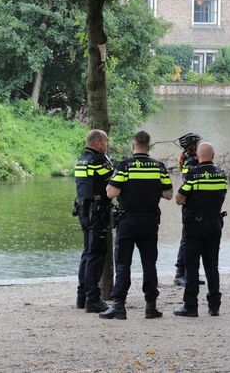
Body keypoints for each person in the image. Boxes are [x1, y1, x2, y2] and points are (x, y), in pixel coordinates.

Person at [99, 131, 173, 320]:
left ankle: (119, 306)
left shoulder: (125, 166)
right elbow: (168, 194)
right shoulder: (158, 167)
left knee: (123, 263)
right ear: (149, 147)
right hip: (149, 222)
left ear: (133, 146)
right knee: (149, 263)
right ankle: (150, 306)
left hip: (127, 221)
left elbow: (111, 193)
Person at [174, 142, 228, 317]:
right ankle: (214, 306)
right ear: (213, 156)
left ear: (197, 156)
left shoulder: (193, 175)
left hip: (194, 225)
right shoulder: (221, 176)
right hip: (214, 224)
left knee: (192, 266)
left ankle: (191, 306)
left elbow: (179, 199)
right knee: (212, 266)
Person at [74, 129, 113, 313]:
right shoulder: (98, 160)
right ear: (98, 143)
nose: (107, 145)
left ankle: (82, 296)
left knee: (87, 253)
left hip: (83, 210)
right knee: (96, 254)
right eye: (105, 142)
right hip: (96, 212)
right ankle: (93, 299)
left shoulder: (81, 159)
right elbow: (114, 180)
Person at [173, 132, 201, 287]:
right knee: (186, 240)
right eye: (198, 142)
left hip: (194, 207)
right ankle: (179, 274)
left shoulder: (192, 161)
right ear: (193, 146)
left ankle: (190, 274)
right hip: (191, 207)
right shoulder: (192, 163)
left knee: (192, 240)